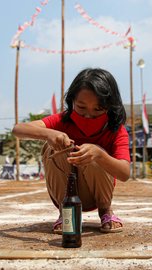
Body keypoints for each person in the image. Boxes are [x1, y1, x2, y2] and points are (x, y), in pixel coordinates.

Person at [12, 68, 130, 234]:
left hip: (97, 193)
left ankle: (106, 211)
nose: (88, 116)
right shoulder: (62, 120)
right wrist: (49, 133)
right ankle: (65, 212)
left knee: (95, 154)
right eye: (81, 107)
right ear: (72, 101)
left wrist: (100, 154)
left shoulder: (116, 130)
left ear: (110, 107)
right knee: (50, 147)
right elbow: (18, 129)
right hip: (66, 191)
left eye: (97, 110)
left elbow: (124, 173)